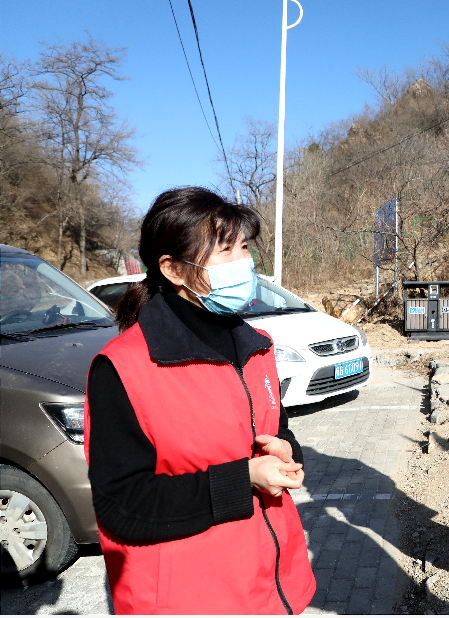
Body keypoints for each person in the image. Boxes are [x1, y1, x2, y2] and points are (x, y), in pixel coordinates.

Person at [84, 187, 315, 614]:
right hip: (189, 597)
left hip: (272, 589)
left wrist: (287, 449)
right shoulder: (123, 368)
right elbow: (122, 506)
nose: (243, 263)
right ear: (172, 269)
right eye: (224, 252)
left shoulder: (257, 347)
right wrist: (242, 478)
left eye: (244, 248)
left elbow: (274, 428)